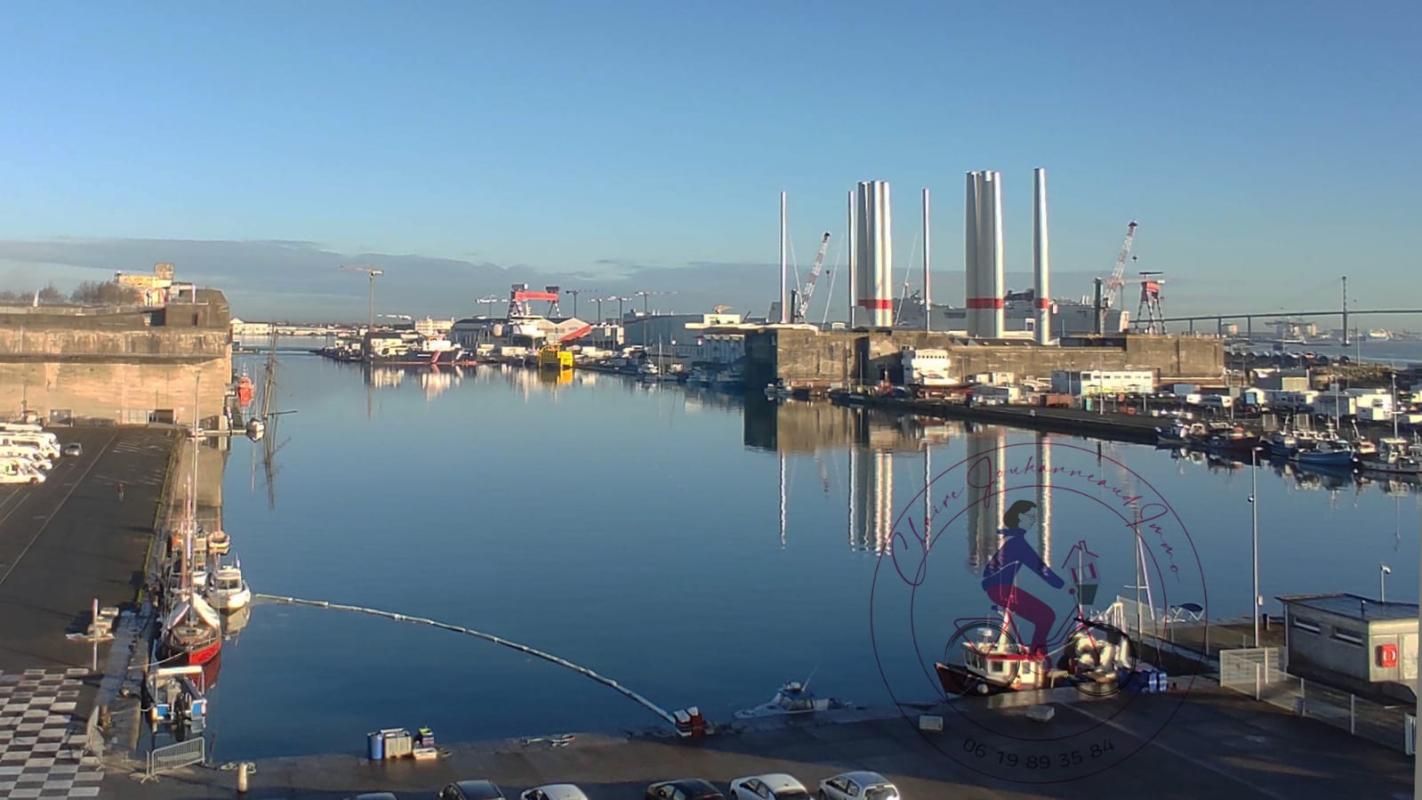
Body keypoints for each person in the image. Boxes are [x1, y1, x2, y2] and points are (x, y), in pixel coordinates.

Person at [980, 499, 1064, 657]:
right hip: (1001, 590)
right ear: (1019, 516)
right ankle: (1036, 656)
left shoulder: (1008, 537)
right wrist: (1061, 584)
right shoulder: (1017, 543)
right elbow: (1039, 567)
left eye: (1034, 517)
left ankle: (1034, 653)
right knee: (1046, 616)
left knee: (1043, 615)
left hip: (996, 587)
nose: (1033, 520)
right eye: (1030, 516)